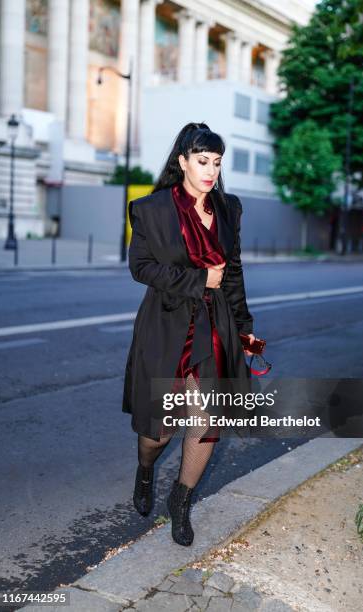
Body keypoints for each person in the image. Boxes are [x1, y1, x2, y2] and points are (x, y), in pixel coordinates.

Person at [122, 122, 258, 546]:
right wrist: (198, 280)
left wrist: (246, 329)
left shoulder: (229, 209)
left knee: (205, 420)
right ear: (182, 161)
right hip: (166, 326)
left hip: (214, 328)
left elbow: (232, 274)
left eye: (217, 162)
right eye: (202, 161)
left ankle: (180, 502)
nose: (211, 170)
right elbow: (140, 267)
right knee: (158, 432)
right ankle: (146, 471)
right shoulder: (151, 209)